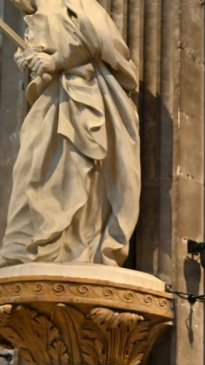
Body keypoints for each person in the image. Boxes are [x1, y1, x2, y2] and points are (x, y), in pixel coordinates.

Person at [1, 0, 140, 267]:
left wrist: (55, 60)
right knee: (29, 166)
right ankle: (27, 245)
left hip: (81, 99)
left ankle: (74, 247)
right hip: (52, 102)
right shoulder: (34, 18)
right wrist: (33, 61)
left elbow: (101, 41)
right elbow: (45, 67)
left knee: (71, 168)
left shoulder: (76, 4)